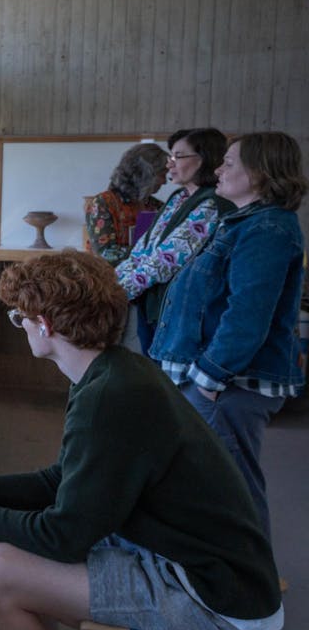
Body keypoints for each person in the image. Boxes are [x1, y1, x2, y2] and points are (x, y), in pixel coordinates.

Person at [0, 250, 282, 630]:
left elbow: (63, 537)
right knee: (13, 559)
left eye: (19, 318)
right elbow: (62, 481)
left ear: (44, 324)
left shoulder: (108, 396)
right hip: (219, 575)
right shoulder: (116, 370)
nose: (20, 325)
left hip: (219, 602)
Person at [148, 131, 307, 540]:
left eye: (230, 163)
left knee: (233, 489)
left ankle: (251, 575)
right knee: (212, 483)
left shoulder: (267, 229)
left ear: (260, 173)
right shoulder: (244, 222)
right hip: (217, 380)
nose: (218, 169)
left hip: (228, 384)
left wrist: (208, 381)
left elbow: (247, 316)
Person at [115, 128, 234, 355]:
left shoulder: (212, 203)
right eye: (171, 156)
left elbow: (165, 261)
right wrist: (110, 284)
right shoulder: (178, 198)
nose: (169, 164)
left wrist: (115, 293)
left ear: (204, 159)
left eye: (178, 156)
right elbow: (141, 252)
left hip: (179, 315)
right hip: (151, 307)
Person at [84, 143, 168, 265]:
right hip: (109, 274)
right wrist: (150, 252)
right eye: (162, 174)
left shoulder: (157, 206)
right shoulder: (103, 203)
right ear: (144, 174)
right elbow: (105, 253)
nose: (165, 182)